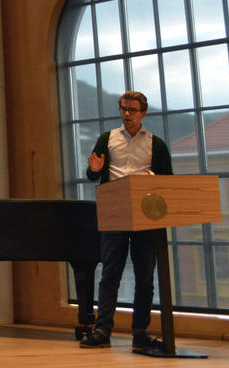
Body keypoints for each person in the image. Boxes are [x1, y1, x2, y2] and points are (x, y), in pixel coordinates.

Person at [80, 90, 173, 352]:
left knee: (144, 277)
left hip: (146, 214)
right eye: (123, 109)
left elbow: (168, 180)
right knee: (110, 274)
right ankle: (102, 329)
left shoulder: (156, 144)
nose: (127, 114)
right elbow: (91, 173)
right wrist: (94, 170)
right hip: (115, 211)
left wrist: (151, 176)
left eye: (132, 110)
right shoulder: (106, 139)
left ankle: (140, 333)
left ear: (143, 113)